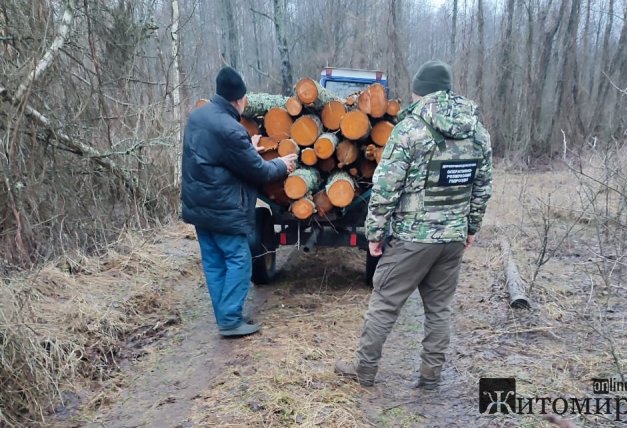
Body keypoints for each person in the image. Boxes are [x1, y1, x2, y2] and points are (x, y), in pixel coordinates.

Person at [335, 60, 493, 388]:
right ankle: (430, 377)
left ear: (418, 91)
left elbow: (386, 186)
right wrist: (471, 228)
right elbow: (483, 184)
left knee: (385, 302)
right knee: (438, 309)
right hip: (452, 238)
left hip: (412, 238)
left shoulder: (411, 128)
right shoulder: (477, 130)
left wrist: (374, 233)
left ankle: (364, 371)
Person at [181, 66, 297, 337]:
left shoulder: (198, 117)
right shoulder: (231, 129)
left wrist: (247, 148)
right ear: (239, 99)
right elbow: (258, 171)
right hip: (224, 208)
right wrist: (281, 163)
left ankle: (225, 317)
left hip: (199, 207)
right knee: (238, 258)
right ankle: (231, 319)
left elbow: (219, 155)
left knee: (213, 261)